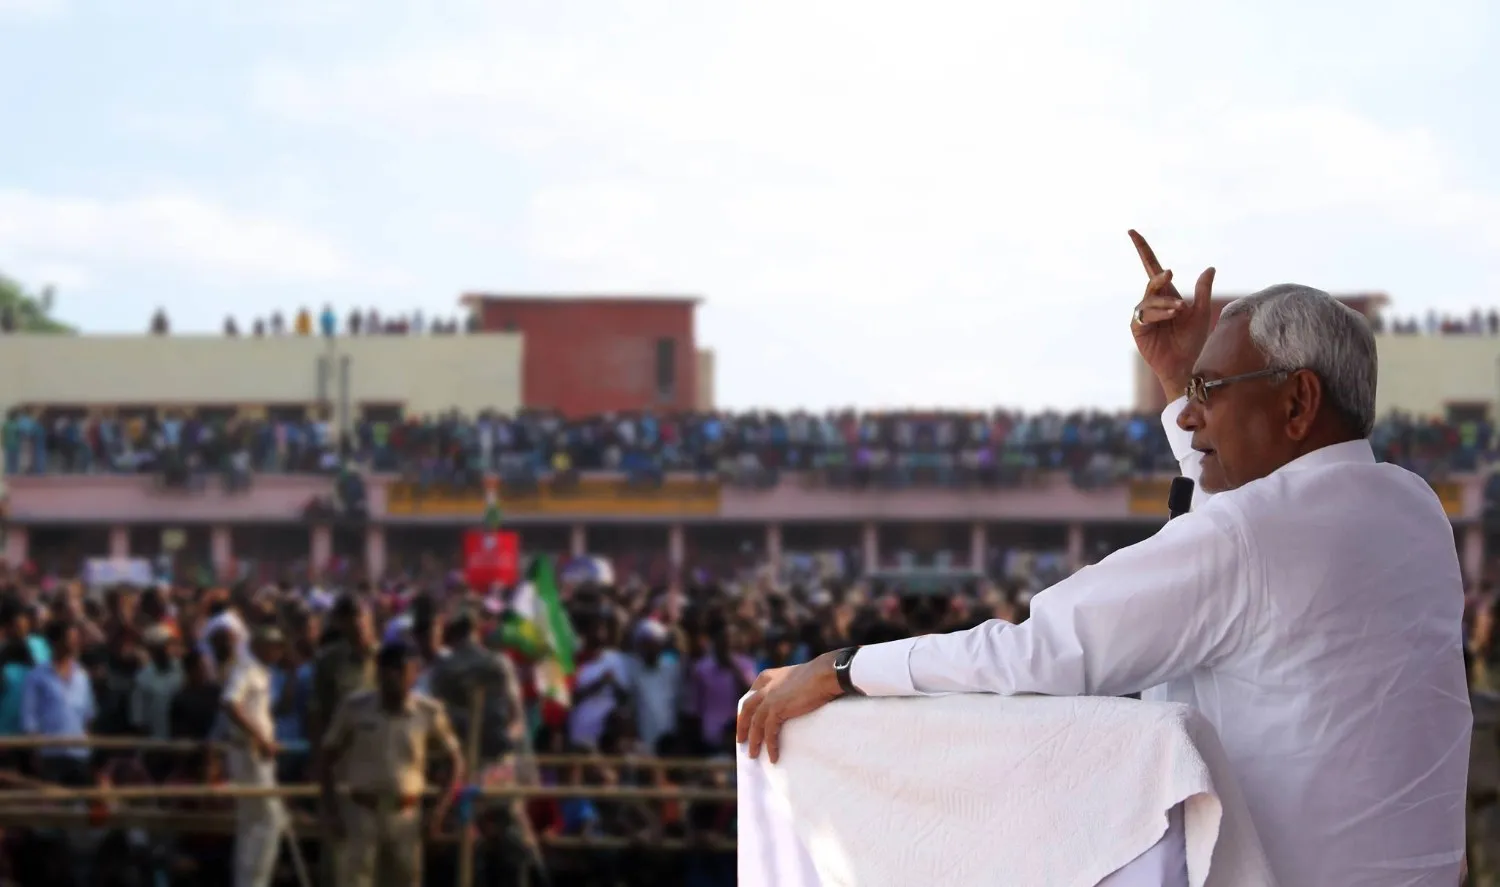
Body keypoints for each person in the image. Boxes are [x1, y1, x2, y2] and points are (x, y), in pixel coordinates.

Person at [737, 231, 1472, 887]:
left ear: (1297, 401)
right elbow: (1247, 565)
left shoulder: (1251, 537)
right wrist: (1185, 383)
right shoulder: (1411, 507)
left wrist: (842, 668)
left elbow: (1036, 657)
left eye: (1209, 391)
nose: (1188, 411)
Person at [320, 641, 463, 887]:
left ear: (414, 672)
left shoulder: (428, 711)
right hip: (362, 811)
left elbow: (456, 761)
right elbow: (326, 758)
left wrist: (439, 810)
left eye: (401, 669)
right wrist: (331, 809)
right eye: (387, 669)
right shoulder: (354, 707)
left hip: (406, 815)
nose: (393, 676)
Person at [220, 625, 287, 887]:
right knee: (271, 819)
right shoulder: (246, 667)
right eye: (274, 646)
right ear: (260, 645)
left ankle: (246, 881)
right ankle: (255, 882)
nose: (278, 652)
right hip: (249, 751)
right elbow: (229, 702)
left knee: (251, 821)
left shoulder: (262, 671)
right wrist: (259, 737)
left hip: (257, 752)